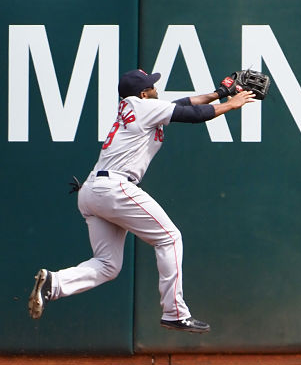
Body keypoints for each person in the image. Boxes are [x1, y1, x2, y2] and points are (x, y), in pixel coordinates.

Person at [28, 69, 254, 333]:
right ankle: (174, 312)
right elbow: (193, 115)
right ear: (144, 94)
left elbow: (184, 104)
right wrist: (230, 104)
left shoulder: (136, 108)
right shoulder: (143, 106)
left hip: (92, 190)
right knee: (169, 237)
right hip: (114, 187)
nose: (156, 88)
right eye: (152, 86)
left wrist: (219, 93)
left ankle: (54, 283)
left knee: (108, 265)